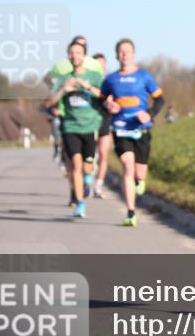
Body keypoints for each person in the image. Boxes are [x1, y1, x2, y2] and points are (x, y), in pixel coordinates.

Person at [100, 38, 165, 227]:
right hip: (121, 129)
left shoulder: (144, 77)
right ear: (116, 55)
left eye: (127, 51)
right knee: (127, 166)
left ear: (133, 55)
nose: (124, 55)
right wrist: (107, 104)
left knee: (139, 172)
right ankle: (130, 213)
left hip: (141, 129)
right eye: (120, 52)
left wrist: (150, 113)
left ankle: (140, 180)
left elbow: (160, 99)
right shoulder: (111, 79)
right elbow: (100, 101)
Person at [45, 40, 105, 218]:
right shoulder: (64, 79)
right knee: (76, 166)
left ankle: (88, 181)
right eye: (71, 53)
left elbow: (105, 96)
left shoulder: (94, 76)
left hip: (90, 126)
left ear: (84, 56)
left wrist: (88, 87)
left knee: (87, 168)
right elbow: (48, 102)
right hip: (70, 126)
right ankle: (80, 203)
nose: (74, 56)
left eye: (78, 53)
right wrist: (64, 90)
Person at [91, 53, 112, 198]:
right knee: (90, 155)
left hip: (106, 119)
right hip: (90, 120)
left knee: (104, 155)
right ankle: (87, 181)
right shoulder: (88, 81)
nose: (100, 66)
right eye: (96, 64)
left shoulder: (111, 81)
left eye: (102, 63)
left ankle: (98, 185)